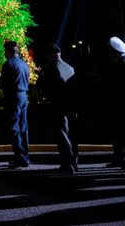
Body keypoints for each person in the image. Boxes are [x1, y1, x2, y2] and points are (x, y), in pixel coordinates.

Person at [37, 43, 78, 174]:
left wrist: (40, 74)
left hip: (58, 105)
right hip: (71, 105)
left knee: (62, 135)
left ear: (50, 55)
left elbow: (45, 87)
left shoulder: (51, 69)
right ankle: (74, 162)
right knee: (71, 135)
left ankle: (68, 163)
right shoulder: (70, 67)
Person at [0, 40, 30, 168]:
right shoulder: (24, 64)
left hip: (13, 97)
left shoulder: (9, 64)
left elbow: (2, 83)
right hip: (23, 95)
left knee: (14, 127)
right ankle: (25, 155)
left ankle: (20, 157)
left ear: (8, 51)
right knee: (23, 127)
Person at [104, 36, 125, 168]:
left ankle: (124, 158)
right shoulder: (121, 63)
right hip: (119, 103)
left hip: (122, 103)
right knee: (118, 132)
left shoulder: (123, 64)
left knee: (124, 132)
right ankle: (119, 158)